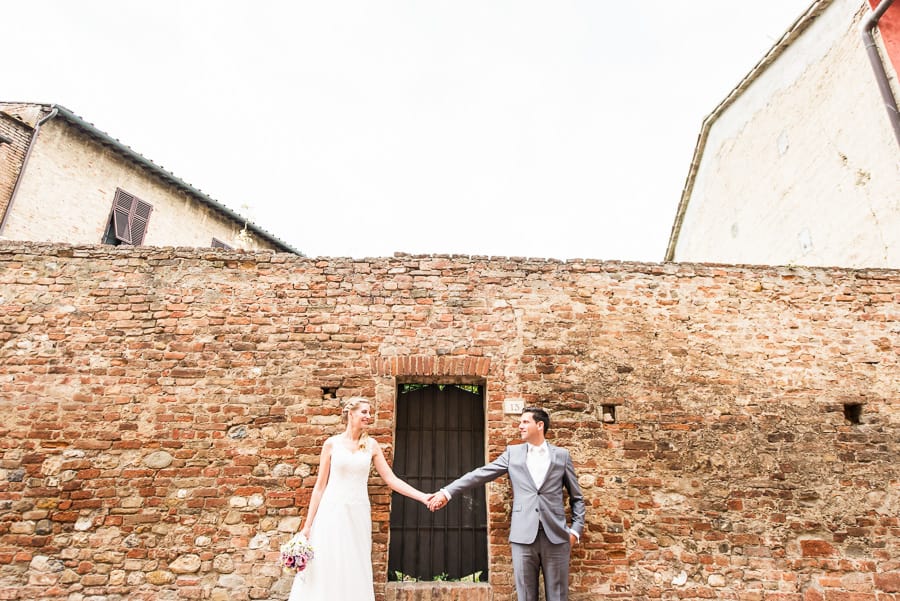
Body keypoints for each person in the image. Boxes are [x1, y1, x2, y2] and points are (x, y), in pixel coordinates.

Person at [427, 407, 585, 601]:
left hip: (556, 537)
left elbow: (577, 497)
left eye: (525, 422)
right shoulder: (513, 453)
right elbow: (480, 474)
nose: (520, 426)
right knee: (525, 596)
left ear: (540, 425)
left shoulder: (562, 456)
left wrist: (575, 531)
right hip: (523, 537)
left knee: (558, 597)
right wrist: (447, 492)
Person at [288, 397, 430, 601]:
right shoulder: (331, 444)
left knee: (354, 562)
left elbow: (391, 479)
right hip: (331, 511)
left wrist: (423, 497)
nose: (368, 416)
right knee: (327, 562)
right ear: (351, 413)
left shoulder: (371, 445)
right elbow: (319, 488)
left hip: (358, 512)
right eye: (364, 412)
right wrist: (308, 526)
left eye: (369, 413)